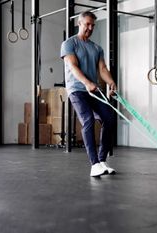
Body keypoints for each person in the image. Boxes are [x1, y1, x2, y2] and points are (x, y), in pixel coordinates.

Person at [60, 11, 117, 177]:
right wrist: (86, 83)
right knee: (88, 120)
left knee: (110, 118)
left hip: (94, 90)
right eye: (87, 24)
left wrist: (111, 82)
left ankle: (102, 160)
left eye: (93, 25)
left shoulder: (96, 48)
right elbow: (73, 66)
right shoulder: (69, 44)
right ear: (79, 23)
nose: (90, 28)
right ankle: (94, 164)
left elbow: (103, 69)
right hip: (77, 90)